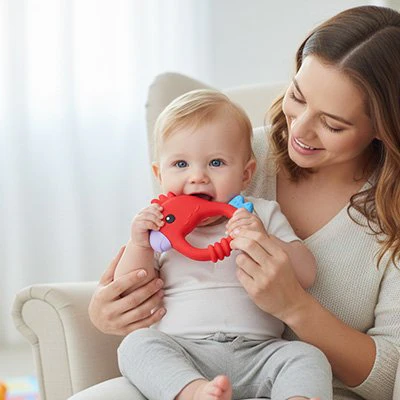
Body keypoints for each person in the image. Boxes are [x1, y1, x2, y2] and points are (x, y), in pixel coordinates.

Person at [88, 5, 400, 400]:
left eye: (332, 124)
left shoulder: (251, 192)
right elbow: (140, 266)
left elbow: (391, 376)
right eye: (297, 97)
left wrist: (295, 306)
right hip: (185, 358)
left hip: (284, 369)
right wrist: (105, 310)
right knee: (132, 354)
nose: (300, 130)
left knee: (307, 358)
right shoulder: (224, 151)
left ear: (383, 127)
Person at [113, 89, 331, 400]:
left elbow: (307, 274)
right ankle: (194, 392)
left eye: (216, 162)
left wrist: (263, 240)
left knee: (307, 357)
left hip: (260, 351)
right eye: (180, 164)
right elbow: (129, 287)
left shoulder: (261, 214)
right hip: (184, 352)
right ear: (159, 174)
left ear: (245, 174)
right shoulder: (160, 226)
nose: (197, 177)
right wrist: (140, 245)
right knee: (135, 346)